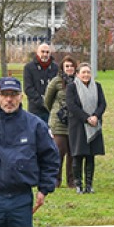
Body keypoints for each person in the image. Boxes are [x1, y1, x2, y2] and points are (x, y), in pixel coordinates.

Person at [0, 77, 61, 227]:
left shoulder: (35, 125)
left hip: (21, 199)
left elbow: (50, 157)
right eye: (4, 94)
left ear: (21, 97)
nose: (9, 99)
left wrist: (44, 189)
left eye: (14, 94)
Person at [67, 63, 107, 193]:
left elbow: (102, 103)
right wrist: (86, 118)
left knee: (91, 156)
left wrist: (95, 116)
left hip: (94, 126)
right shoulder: (71, 87)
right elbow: (72, 106)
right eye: (83, 72)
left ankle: (89, 185)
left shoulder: (98, 86)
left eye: (88, 72)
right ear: (77, 74)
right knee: (78, 156)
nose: (86, 75)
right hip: (78, 126)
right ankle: (78, 184)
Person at [44, 56, 79, 188]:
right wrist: (56, 111)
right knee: (58, 152)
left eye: (71, 66)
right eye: (67, 66)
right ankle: (55, 180)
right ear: (62, 68)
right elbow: (47, 101)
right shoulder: (56, 81)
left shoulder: (78, 81)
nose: (69, 68)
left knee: (73, 153)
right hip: (59, 122)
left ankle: (72, 180)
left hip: (74, 122)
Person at [23, 43, 58, 124]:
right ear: (37, 53)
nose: (45, 54)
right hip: (35, 109)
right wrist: (42, 102)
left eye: (47, 52)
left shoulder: (56, 68)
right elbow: (28, 88)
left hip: (52, 109)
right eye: (42, 52)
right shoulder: (29, 67)